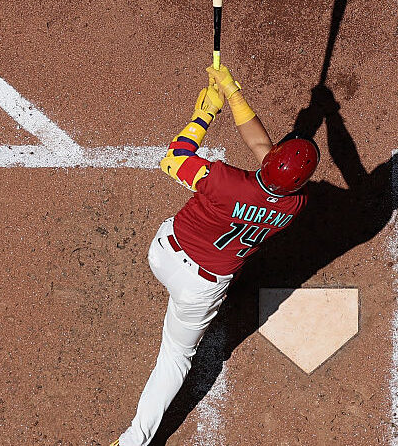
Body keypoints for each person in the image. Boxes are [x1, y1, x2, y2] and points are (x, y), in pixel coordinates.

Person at [110, 65, 319, 446]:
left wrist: (205, 112)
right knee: (175, 358)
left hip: (163, 255)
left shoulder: (222, 180)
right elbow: (263, 149)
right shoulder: (295, 206)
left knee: (190, 208)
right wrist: (232, 91)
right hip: (200, 291)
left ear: (269, 162)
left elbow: (173, 158)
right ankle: (132, 442)